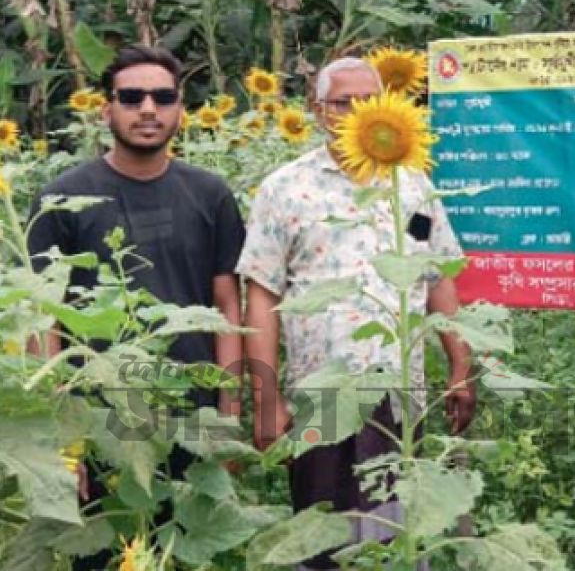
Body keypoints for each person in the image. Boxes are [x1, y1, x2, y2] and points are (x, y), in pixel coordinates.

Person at [238, 57, 474, 571]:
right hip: (320, 395)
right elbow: (260, 294)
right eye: (344, 102)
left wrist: (460, 364)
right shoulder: (287, 189)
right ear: (319, 110)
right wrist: (266, 396)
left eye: (369, 100)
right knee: (324, 531)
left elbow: (437, 277)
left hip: (401, 395)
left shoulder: (412, 187)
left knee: (399, 526)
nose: (358, 113)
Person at [27, 45, 246, 570]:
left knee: (189, 549)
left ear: (180, 109)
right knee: (103, 555)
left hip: (190, 411)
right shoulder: (63, 199)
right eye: (131, 96)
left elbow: (227, 307)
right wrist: (65, 444)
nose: (148, 108)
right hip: (100, 420)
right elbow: (44, 322)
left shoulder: (210, 194)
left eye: (163, 97)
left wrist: (230, 418)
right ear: (106, 110)